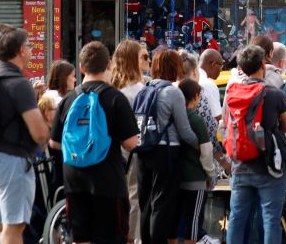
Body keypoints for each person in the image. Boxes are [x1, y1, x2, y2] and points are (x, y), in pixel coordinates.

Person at [49, 41, 139, 244]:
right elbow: (131, 143)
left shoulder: (68, 99)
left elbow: (54, 144)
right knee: (111, 236)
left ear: (81, 67)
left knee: (81, 238)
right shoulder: (116, 98)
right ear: (109, 65)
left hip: (74, 178)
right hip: (108, 180)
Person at [0, 24, 49, 244]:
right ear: (21, 51)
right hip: (11, 159)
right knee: (14, 226)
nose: (31, 49)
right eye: (29, 45)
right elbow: (38, 132)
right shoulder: (18, 83)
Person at [226, 45, 286, 244]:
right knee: (271, 219)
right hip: (269, 165)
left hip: (239, 165)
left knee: (237, 219)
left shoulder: (232, 92)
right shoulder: (273, 94)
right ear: (263, 64)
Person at [137, 49, 201, 244]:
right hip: (166, 152)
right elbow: (184, 130)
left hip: (144, 150)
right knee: (162, 205)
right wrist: (201, 145)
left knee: (146, 204)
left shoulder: (145, 88)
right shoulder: (173, 92)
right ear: (175, 67)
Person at [110, 39, 147, 243]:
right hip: (134, 150)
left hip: (116, 152)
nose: (148, 60)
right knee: (134, 196)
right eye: (143, 56)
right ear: (133, 60)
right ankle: (132, 238)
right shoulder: (138, 90)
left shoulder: (113, 88)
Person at [176, 78, 217, 244]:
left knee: (180, 217)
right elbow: (206, 152)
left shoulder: (175, 117)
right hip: (195, 176)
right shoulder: (196, 119)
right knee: (194, 219)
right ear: (195, 96)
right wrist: (211, 174)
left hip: (177, 176)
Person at [198, 48, 224, 122]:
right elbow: (218, 117)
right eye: (221, 66)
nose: (221, 70)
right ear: (213, 64)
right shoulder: (208, 84)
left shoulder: (191, 76)